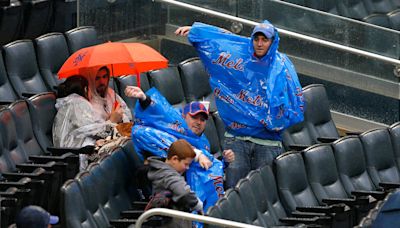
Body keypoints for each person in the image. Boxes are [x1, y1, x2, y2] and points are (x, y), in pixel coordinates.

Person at [175, 20, 304, 189]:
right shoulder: (240, 55)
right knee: (234, 191)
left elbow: (294, 101)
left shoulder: (282, 66)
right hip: (236, 139)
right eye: (256, 39)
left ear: (273, 42)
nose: (259, 43)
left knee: (263, 192)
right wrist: (197, 31)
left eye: (264, 40)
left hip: (268, 142)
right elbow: (223, 40)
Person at [125, 85, 234, 212]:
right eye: (194, 117)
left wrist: (224, 162)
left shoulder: (203, 141)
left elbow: (207, 168)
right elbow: (162, 113)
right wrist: (144, 99)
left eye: (203, 119)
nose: (198, 122)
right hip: (172, 195)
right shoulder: (165, 131)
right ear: (183, 117)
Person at [52, 75, 115, 170]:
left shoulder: (69, 103)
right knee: (113, 153)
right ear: (86, 89)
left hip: (69, 153)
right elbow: (91, 129)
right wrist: (111, 122)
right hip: (78, 154)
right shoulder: (78, 103)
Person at [147, 139, 203, 227]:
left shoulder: (163, 169)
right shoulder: (167, 175)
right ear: (175, 159)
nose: (187, 168)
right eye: (186, 164)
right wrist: (197, 204)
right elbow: (184, 193)